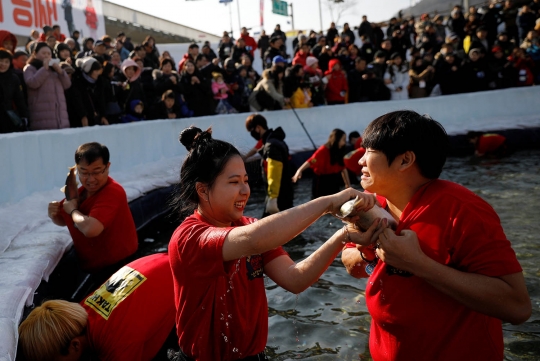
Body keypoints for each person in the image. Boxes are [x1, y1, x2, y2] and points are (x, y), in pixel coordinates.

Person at [168, 125, 378, 361]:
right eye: (234, 182)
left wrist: (344, 236)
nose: (245, 190)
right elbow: (254, 240)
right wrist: (329, 204)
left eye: (246, 180)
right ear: (202, 190)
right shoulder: (189, 237)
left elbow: (295, 279)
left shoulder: (249, 225)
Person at [341, 110, 531, 361]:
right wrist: (369, 252)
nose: (360, 161)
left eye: (369, 152)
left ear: (405, 160)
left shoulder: (462, 210)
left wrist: (418, 264)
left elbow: (518, 307)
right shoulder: (375, 205)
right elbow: (351, 266)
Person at [18, 253, 176, 361]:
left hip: (193, 279)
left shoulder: (117, 346)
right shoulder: (82, 309)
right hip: (164, 260)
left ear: (75, 345)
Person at [47, 142, 138, 286]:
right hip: (95, 270)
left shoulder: (113, 192)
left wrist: (72, 210)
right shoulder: (81, 193)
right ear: (77, 170)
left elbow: (90, 229)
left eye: (96, 172)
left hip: (120, 270)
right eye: (84, 172)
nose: (90, 179)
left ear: (107, 167)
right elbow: (65, 220)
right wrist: (54, 214)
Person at [246, 114, 295, 216]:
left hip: (278, 196)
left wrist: (273, 198)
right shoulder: (275, 140)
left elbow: (274, 172)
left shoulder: (271, 145)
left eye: (252, 130)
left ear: (258, 128)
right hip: (285, 192)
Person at [24, 42, 71, 130]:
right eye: (43, 53)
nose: (46, 56)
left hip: (60, 117)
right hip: (41, 117)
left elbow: (67, 85)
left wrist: (61, 72)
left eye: (49, 54)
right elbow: (32, 83)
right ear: (34, 54)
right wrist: (44, 68)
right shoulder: (30, 68)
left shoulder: (54, 69)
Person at [292, 128, 351, 199]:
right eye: (343, 140)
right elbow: (311, 161)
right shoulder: (323, 150)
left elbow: (343, 168)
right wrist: (299, 170)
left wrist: (348, 185)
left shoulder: (339, 151)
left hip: (333, 180)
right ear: (336, 140)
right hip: (321, 181)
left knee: (335, 201)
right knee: (319, 202)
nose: (344, 143)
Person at [0, 49, 28, 133]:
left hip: (7, 117)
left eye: (6, 62)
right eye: (1, 61)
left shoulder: (13, 78)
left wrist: (24, 116)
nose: (3, 64)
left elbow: (19, 99)